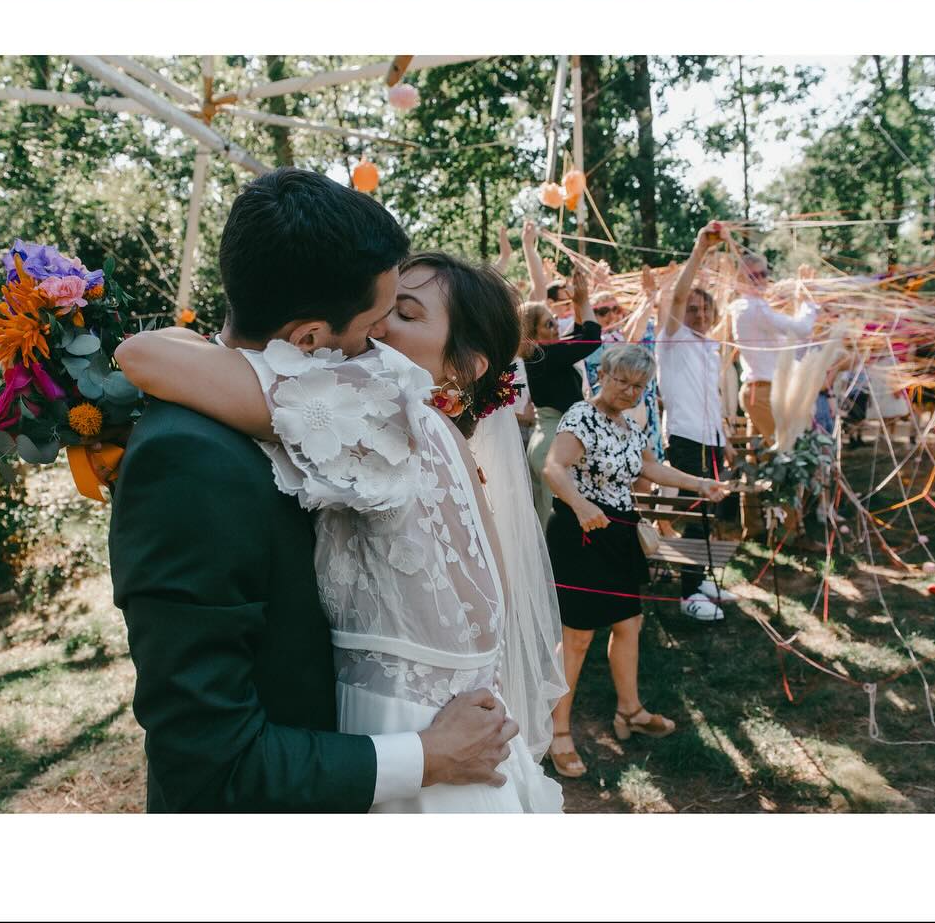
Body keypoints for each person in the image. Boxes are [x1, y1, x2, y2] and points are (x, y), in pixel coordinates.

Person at [116, 205, 565, 813]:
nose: (377, 333)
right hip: (454, 737)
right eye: (379, 311)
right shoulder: (441, 436)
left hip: (411, 747)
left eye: (402, 316)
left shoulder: (388, 414)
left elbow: (142, 354)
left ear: (462, 369)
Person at [542, 343, 728, 778]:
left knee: (629, 624)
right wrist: (582, 506)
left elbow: (651, 469)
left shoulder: (629, 426)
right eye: (621, 380)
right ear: (603, 374)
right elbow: (554, 467)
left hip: (620, 533)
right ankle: (558, 731)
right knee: (578, 637)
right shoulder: (579, 416)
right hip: (580, 533)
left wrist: (701, 484)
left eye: (638, 386)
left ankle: (629, 712)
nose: (628, 390)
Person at [652, 221, 738, 620]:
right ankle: (688, 596)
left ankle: (699, 577)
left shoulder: (708, 345)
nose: (699, 313)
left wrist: (726, 436)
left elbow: (712, 396)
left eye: (705, 309)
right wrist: (700, 250)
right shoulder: (672, 338)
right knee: (692, 514)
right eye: (692, 308)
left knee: (709, 513)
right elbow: (679, 292)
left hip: (712, 439)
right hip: (684, 438)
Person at [521, 227, 600, 527]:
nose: (557, 329)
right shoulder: (542, 354)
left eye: (555, 323)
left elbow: (579, 334)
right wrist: (585, 301)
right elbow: (590, 338)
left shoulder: (545, 353)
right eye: (549, 325)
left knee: (552, 516)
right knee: (553, 520)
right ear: (533, 332)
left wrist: (581, 301)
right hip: (553, 439)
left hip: (552, 435)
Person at [728, 250, 818, 446]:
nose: (760, 280)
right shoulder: (753, 308)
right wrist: (808, 298)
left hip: (764, 391)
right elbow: (802, 328)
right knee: (787, 450)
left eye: (763, 274)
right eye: (753, 276)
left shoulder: (754, 307)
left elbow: (790, 338)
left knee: (763, 460)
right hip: (763, 394)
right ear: (741, 278)